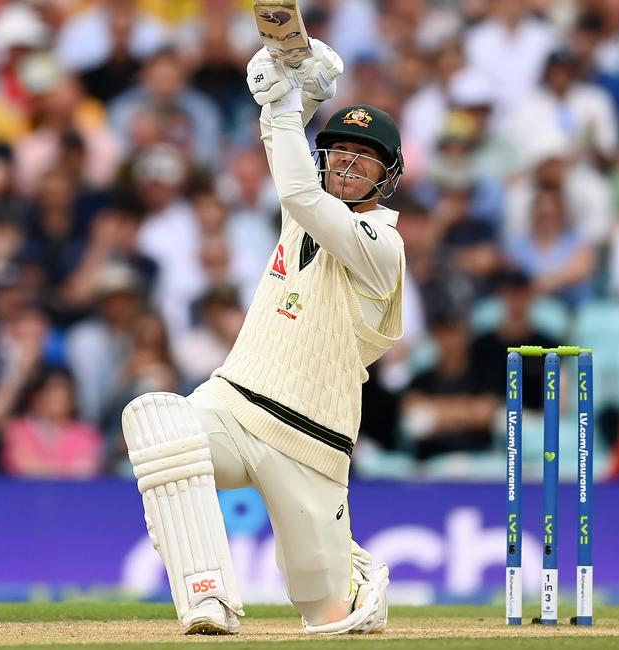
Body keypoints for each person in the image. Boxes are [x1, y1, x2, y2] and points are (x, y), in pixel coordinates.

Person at [121, 39, 405, 636]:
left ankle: (351, 579)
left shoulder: (382, 246)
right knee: (157, 420)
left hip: (311, 440)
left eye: (366, 158)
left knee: (326, 619)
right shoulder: (304, 207)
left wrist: (286, 103)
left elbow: (298, 187)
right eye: (340, 153)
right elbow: (294, 169)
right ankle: (207, 596)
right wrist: (292, 89)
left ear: (389, 176)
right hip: (235, 402)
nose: (348, 166)